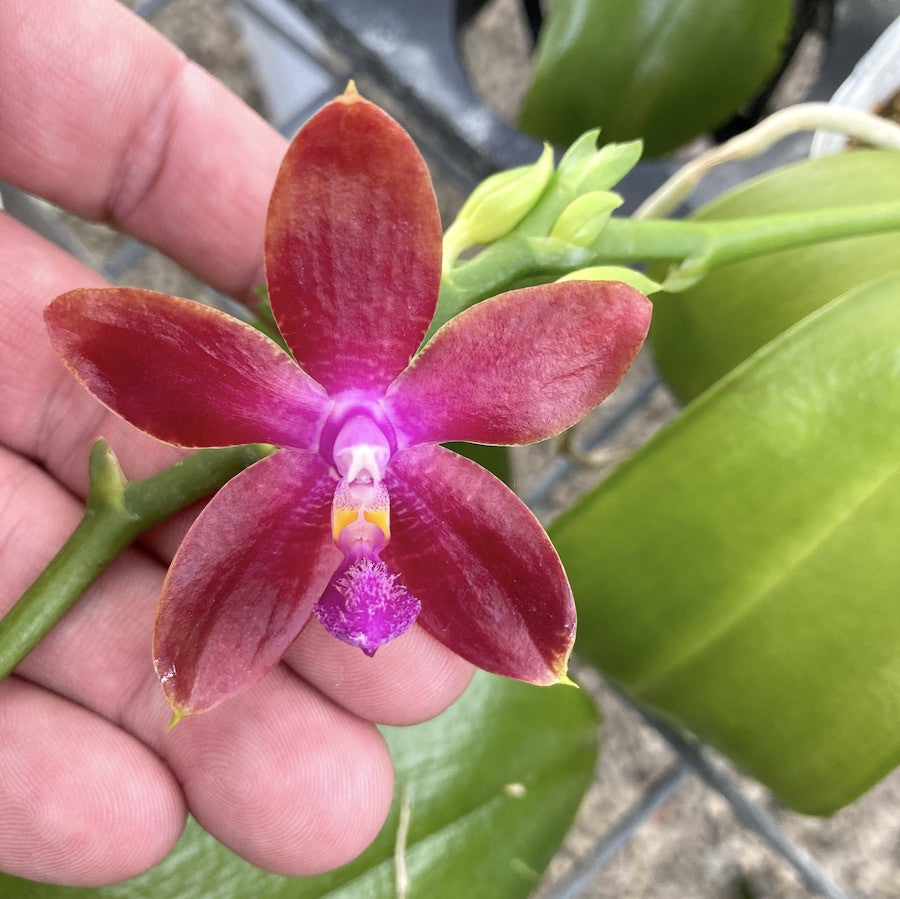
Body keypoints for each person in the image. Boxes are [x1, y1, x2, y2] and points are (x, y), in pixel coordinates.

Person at [0, 0, 472, 886]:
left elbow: (515, 613)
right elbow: (107, 342)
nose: (363, 513)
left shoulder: (389, 501)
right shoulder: (280, 500)